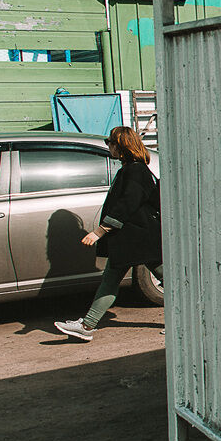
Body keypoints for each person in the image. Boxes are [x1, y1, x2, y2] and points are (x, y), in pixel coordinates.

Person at [55, 126, 163, 341]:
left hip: (138, 238)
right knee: (113, 280)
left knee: (166, 279)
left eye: (110, 142)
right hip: (134, 238)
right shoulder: (131, 169)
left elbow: (127, 204)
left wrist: (100, 231)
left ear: (120, 145)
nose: (108, 146)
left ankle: (87, 326)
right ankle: (87, 326)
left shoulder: (135, 170)